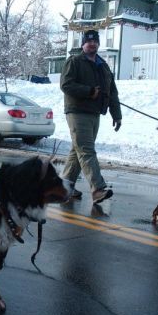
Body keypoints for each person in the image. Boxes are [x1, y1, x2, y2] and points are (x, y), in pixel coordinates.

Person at [60, 29, 122, 205]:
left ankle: (65, 187)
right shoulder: (74, 61)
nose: (92, 43)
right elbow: (66, 85)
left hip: (95, 113)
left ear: (98, 43)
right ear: (83, 44)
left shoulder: (103, 66)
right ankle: (97, 189)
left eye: (95, 41)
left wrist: (116, 115)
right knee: (86, 150)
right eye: (88, 41)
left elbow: (112, 92)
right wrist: (88, 91)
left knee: (78, 150)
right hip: (77, 111)